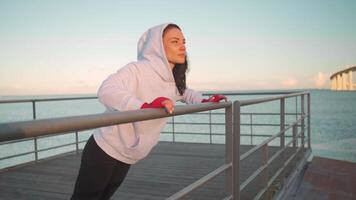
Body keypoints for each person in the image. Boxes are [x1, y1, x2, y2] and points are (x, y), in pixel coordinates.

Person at [71, 23, 227, 200]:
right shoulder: (137, 70)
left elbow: (185, 92)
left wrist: (205, 101)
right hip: (105, 147)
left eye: (183, 41)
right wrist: (144, 106)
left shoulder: (172, 80)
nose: (183, 46)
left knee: (104, 196)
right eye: (175, 41)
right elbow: (106, 89)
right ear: (157, 47)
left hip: (129, 153)